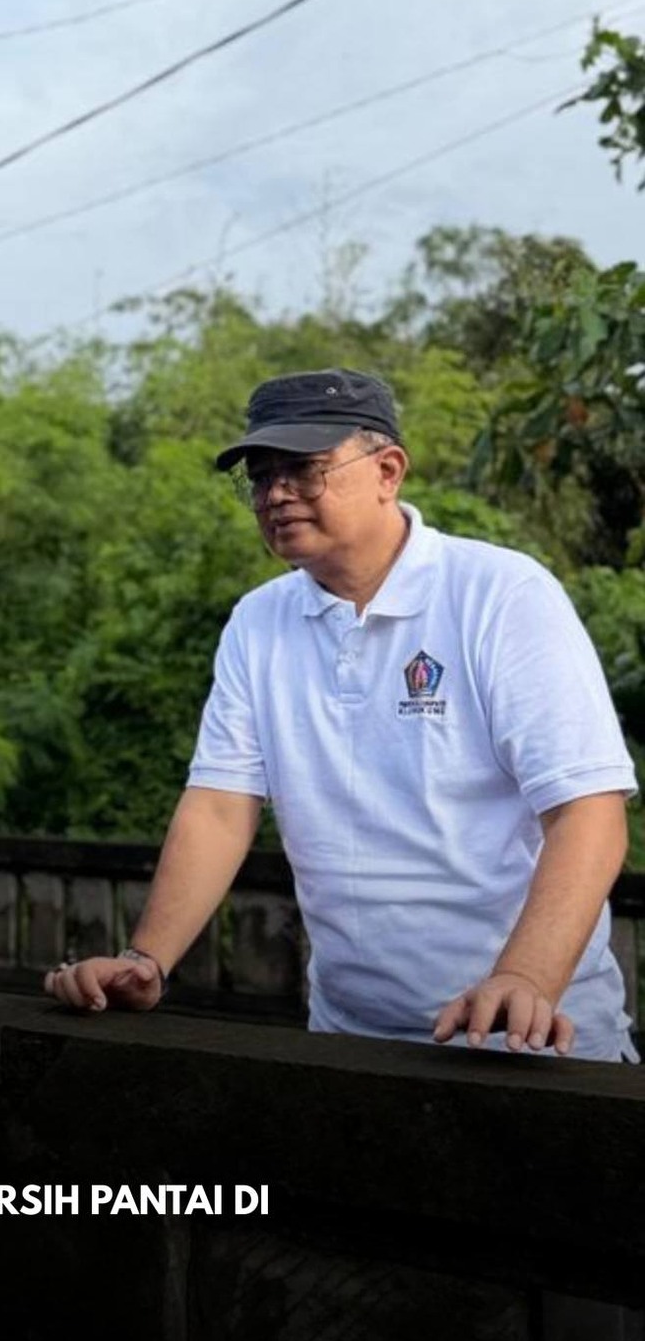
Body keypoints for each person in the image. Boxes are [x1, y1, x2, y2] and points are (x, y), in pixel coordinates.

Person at [43, 369, 637, 1060]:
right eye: (261, 478)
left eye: (303, 469)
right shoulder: (259, 623)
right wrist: (147, 959)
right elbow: (219, 807)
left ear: (388, 470)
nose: (276, 494)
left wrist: (524, 976)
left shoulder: (500, 596)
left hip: (528, 1042)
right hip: (351, 1042)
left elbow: (587, 811)